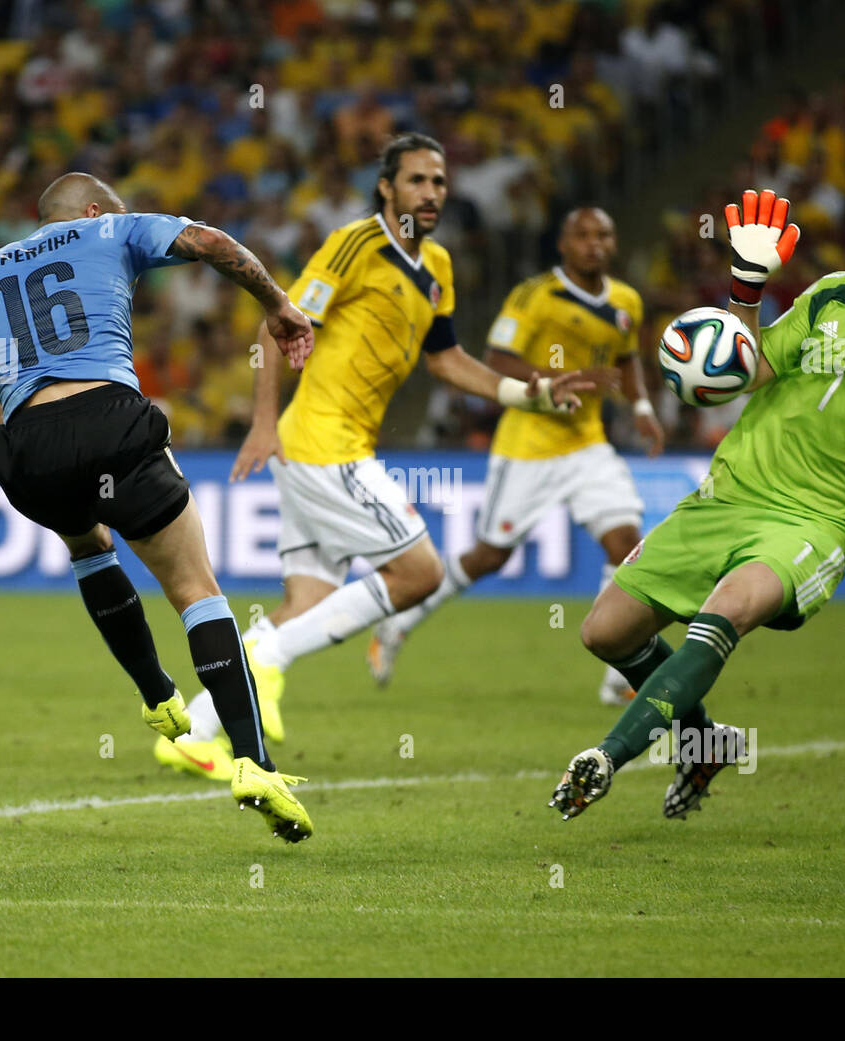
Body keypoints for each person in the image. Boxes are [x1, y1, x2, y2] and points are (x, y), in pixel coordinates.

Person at [0, 172, 317, 842]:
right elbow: (209, 241)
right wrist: (278, 304)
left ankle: (158, 697)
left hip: (27, 448)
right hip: (107, 416)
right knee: (196, 589)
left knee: (87, 543)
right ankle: (255, 764)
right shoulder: (115, 227)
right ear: (90, 210)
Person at [550, 192, 845, 822]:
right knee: (605, 632)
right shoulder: (838, 294)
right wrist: (746, 287)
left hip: (815, 522)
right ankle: (705, 743)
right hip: (732, 491)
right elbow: (749, 371)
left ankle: (607, 757)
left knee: (726, 610)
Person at [167, 133, 588, 765]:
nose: (430, 193)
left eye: (440, 182)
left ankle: (194, 733)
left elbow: (446, 360)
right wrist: (263, 421)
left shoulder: (437, 268)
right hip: (321, 444)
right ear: (387, 188)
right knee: (421, 574)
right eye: (417, 180)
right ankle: (266, 658)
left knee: (305, 604)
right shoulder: (356, 244)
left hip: (332, 448)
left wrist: (527, 393)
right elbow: (275, 318)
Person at [367, 206, 665, 705]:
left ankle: (620, 674)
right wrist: (557, 381)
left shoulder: (626, 300)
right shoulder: (535, 296)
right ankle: (400, 621)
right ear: (564, 245)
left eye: (604, 235)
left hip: (588, 444)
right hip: (528, 445)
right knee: (490, 555)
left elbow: (627, 357)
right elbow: (498, 360)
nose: (595, 243)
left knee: (626, 544)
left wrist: (640, 406)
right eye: (584, 234)